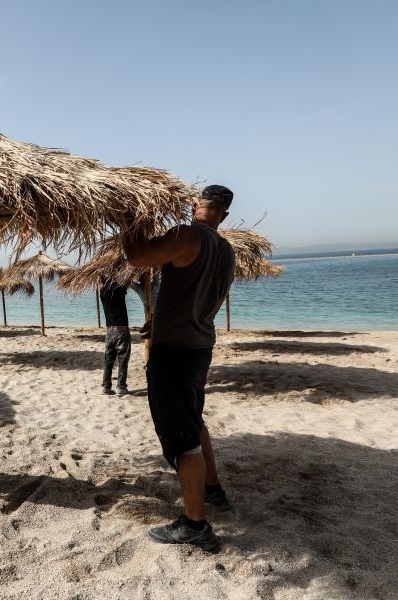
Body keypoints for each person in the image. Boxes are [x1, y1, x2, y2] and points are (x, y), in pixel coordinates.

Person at [124, 184, 236, 551]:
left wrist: (129, 219)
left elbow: (138, 256)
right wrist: (163, 321)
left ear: (200, 206)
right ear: (225, 214)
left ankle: (195, 525)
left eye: (194, 201)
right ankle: (213, 490)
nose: (190, 205)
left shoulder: (187, 234)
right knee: (194, 419)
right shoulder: (226, 250)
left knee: (182, 441)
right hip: (200, 345)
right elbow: (209, 301)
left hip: (174, 352)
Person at [98, 276, 131, 396]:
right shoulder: (118, 289)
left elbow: (101, 283)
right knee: (123, 360)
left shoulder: (101, 292)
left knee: (108, 360)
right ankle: (121, 387)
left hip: (109, 331)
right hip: (121, 330)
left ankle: (106, 386)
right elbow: (128, 282)